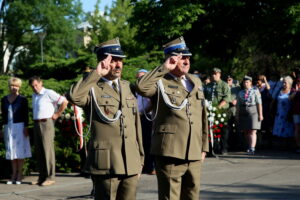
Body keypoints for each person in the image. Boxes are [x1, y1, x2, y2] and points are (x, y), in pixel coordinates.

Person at [68, 38, 144, 200]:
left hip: (130, 161)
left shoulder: (126, 86)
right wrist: (96, 73)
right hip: (106, 162)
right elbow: (74, 97)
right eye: (113, 61)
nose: (118, 65)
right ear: (103, 62)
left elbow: (135, 124)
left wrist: (140, 159)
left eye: (120, 61)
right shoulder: (92, 87)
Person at [136, 36, 209, 200]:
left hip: (194, 151)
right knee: (170, 197)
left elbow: (202, 116)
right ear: (171, 59)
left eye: (188, 57)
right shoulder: (160, 81)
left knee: (192, 196)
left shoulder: (195, 81)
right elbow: (141, 87)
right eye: (182, 57)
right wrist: (164, 67)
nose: (186, 60)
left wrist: (204, 146)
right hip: (170, 152)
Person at [29, 76, 68, 186]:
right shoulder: (34, 95)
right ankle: (42, 177)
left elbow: (64, 102)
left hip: (46, 123)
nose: (35, 88)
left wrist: (57, 114)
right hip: (36, 123)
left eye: (36, 85)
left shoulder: (48, 92)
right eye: (33, 86)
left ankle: (51, 177)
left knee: (47, 150)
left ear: (41, 83)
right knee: (39, 151)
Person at [0, 77, 31, 184]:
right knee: (11, 152)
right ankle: (13, 174)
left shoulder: (23, 99)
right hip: (8, 127)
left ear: (19, 87)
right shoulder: (4, 99)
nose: (14, 87)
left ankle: (19, 175)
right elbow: (3, 116)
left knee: (20, 152)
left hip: (20, 126)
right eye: (12, 85)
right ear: (9, 86)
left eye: (16, 86)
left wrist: (26, 127)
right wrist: (2, 128)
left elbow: (26, 115)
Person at [204, 67, 231, 154]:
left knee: (223, 130)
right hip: (210, 111)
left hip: (222, 111)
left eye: (215, 73)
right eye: (212, 73)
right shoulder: (208, 85)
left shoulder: (224, 85)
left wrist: (218, 107)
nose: (213, 75)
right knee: (212, 130)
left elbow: (227, 98)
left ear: (219, 74)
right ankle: (213, 148)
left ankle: (224, 148)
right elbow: (204, 97)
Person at [236, 76, 263, 155]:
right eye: (244, 82)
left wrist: (260, 114)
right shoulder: (241, 92)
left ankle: (252, 148)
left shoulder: (255, 91)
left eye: (247, 82)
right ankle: (249, 146)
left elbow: (259, 103)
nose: (245, 83)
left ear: (251, 82)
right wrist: (237, 115)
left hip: (253, 111)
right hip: (243, 111)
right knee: (246, 131)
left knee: (253, 130)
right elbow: (238, 105)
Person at [136, 69, 155, 175]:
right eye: (138, 77)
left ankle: (151, 166)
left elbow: (152, 104)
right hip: (139, 116)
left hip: (147, 117)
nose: (139, 78)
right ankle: (144, 165)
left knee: (149, 142)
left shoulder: (148, 89)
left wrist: (143, 112)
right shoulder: (137, 90)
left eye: (142, 76)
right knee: (142, 142)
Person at [272, 76, 294, 146]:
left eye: (285, 83)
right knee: (279, 128)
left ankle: (287, 144)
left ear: (290, 83)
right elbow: (274, 100)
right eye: (283, 82)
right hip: (279, 113)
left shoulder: (292, 91)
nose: (283, 84)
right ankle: (280, 144)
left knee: (287, 129)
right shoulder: (279, 91)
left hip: (287, 113)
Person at [256, 75, 272, 147]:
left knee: (267, 125)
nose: (258, 81)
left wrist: (265, 80)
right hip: (258, 108)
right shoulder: (256, 88)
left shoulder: (265, 87)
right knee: (259, 127)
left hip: (265, 108)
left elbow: (268, 88)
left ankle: (269, 142)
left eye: (259, 80)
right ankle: (259, 142)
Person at [226, 75, 242, 151]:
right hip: (227, 110)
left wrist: (236, 100)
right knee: (228, 129)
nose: (228, 81)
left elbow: (241, 95)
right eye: (227, 79)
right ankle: (228, 145)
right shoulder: (224, 87)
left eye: (230, 79)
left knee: (238, 128)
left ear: (232, 80)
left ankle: (239, 145)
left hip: (236, 110)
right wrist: (230, 101)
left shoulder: (237, 88)